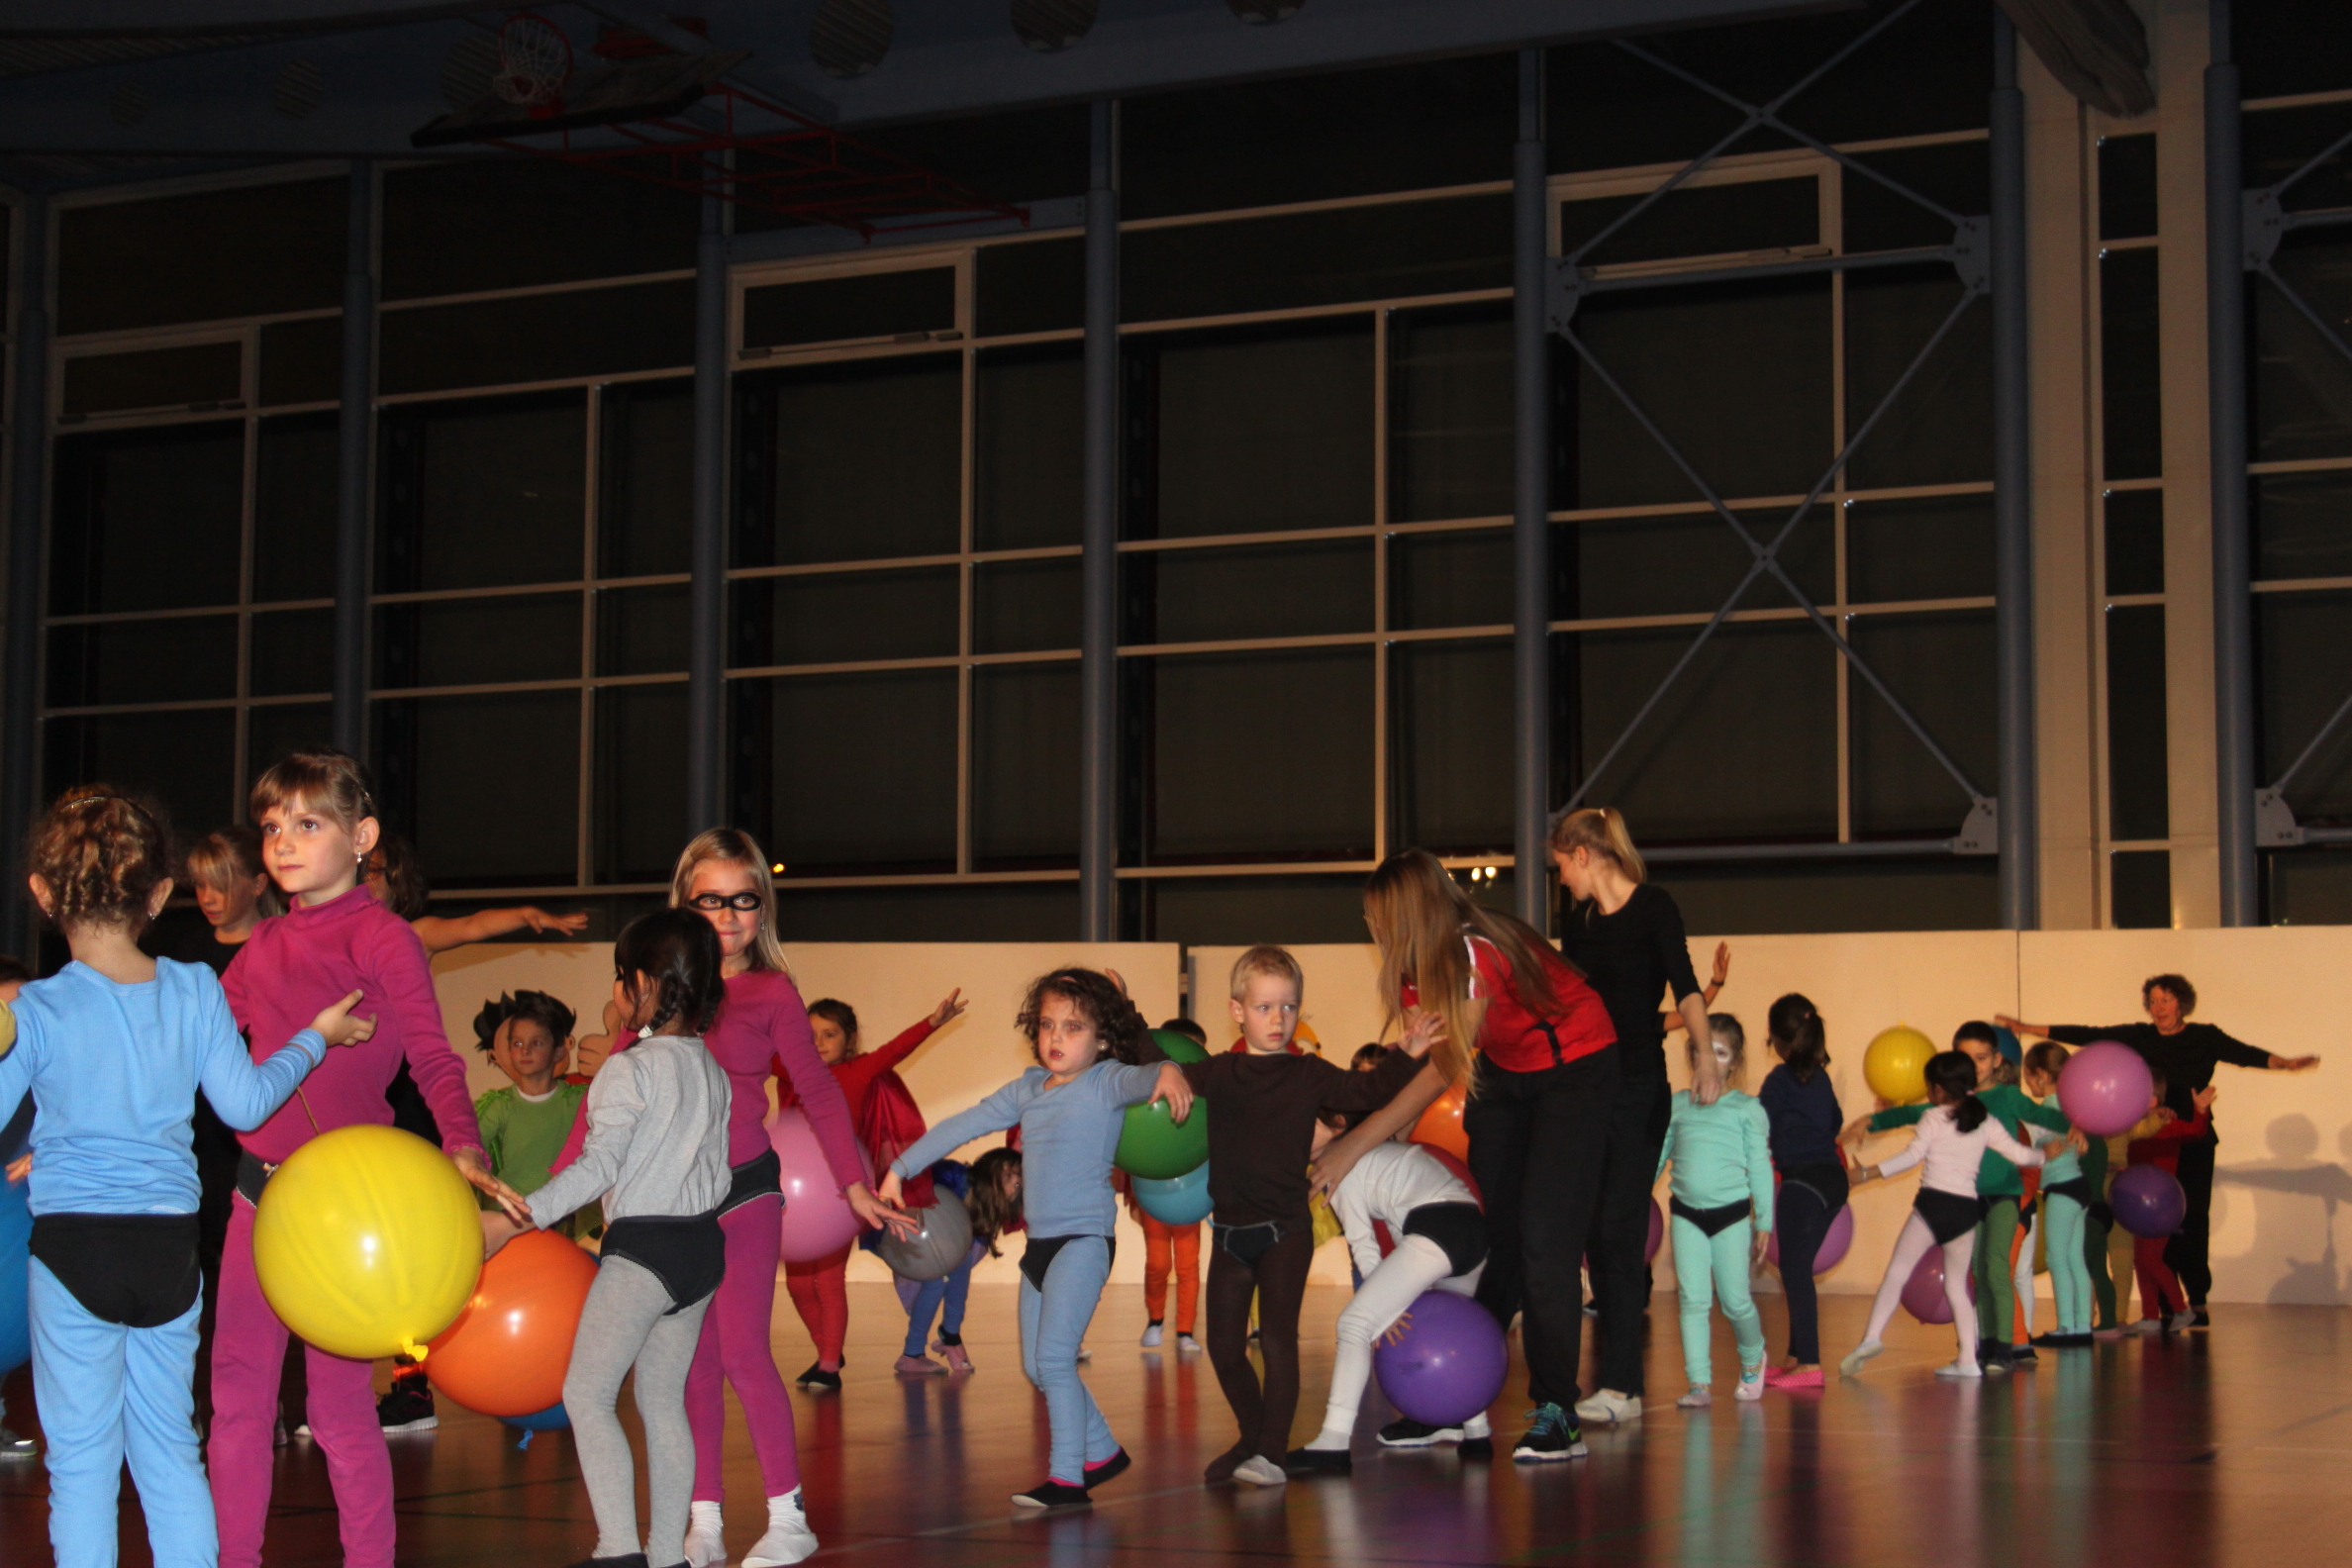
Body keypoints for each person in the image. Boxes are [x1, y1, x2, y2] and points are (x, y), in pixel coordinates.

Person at [0, 788, 371, 1568]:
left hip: (74, 1252)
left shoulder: (35, 1009)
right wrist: (315, 1037)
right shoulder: (196, 988)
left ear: (42, 894)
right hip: (168, 1254)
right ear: (159, 894)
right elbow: (247, 1102)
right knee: (169, 1448)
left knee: (82, 1466)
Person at [208, 751, 525, 1568]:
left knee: (339, 1408)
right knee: (237, 1400)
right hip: (257, 1199)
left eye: (307, 823)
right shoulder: (261, 945)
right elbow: (195, 1041)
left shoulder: (383, 937)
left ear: (362, 837)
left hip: (348, 1216)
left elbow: (432, 1055)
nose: (283, 841)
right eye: (272, 827)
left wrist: (462, 1142)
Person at [1311, 848, 1619, 1464]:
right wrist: (1378, 1144)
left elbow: (1444, 1067)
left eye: (1378, 916)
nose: (1372, 928)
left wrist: (1351, 1147)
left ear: (1407, 913)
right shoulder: (1410, 973)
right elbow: (1415, 1068)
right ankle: (1452, 1398)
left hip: (1576, 1066)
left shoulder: (1473, 950)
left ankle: (1557, 1413)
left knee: (1543, 1240)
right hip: (1508, 1071)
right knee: (1490, 1236)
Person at [878, 968, 1192, 1514]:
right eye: (1047, 1024)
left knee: (1054, 1359)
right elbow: (964, 1123)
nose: (1056, 1037)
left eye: (1073, 1027)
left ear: (1101, 1039)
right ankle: (1102, 1450)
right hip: (1040, 1249)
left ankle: (1067, 1479)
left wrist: (1167, 1070)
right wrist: (899, 1169)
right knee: (1036, 1368)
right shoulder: (1027, 1089)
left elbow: (1149, 1075)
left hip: (1083, 1242)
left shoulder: (1106, 1080)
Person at [482, 909, 740, 1568]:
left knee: (587, 1395)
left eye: (621, 979)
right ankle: (667, 1555)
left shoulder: (629, 1070)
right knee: (661, 1401)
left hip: (644, 1251)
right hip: (699, 1250)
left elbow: (598, 1166)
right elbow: (716, 1170)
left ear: (646, 986)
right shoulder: (710, 1068)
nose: (617, 993)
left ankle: (619, 1550)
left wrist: (513, 1221)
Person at [660, 830, 890, 1568]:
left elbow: (817, 1089)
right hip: (676, 1199)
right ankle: (704, 1519)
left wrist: (853, 1183)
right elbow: (619, 1094)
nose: (728, 916)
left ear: (763, 907)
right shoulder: (662, 988)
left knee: (742, 1351)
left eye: (743, 900)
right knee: (693, 1359)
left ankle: (789, 1517)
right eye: (710, 900)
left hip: (744, 1190)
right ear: (683, 902)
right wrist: (543, 1194)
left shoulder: (771, 991)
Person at [1172, 946, 1425, 1489]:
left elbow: (1367, 1089)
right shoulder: (1220, 1072)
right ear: (1238, 1011)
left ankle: (1271, 1453)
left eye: (1289, 1007)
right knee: (1224, 1348)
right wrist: (1124, 1014)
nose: (1278, 1019)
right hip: (1230, 1234)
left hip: (1284, 1232)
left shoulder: (1307, 1073)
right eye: (1264, 1007)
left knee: (1278, 1341)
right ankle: (1252, 1437)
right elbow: (1161, 1063)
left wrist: (1408, 1053)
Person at [1999, 977, 2318, 1328]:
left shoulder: (2205, 1037)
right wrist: (2027, 1028)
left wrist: (2284, 1063)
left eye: (2166, 1000)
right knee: (2148, 1226)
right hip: (2149, 1139)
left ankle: (2196, 1300)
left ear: (2182, 1003)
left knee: (2192, 1219)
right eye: (2152, 1001)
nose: (2158, 1008)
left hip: (2192, 1139)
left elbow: (2244, 1054)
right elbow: (2089, 1034)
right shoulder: (2140, 1036)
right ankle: (2164, 1306)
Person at [1547, 808, 1719, 1427]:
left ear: (1583, 855)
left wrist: (1705, 1056)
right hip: (1589, 1087)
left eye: (1562, 866)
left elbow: (1686, 987)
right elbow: (1571, 1004)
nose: (1562, 879)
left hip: (1639, 1088)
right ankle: (1614, 1380)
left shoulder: (1654, 907)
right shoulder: (1580, 922)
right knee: (1596, 1229)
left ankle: (1623, 1385)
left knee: (1619, 1226)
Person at [1847, 1022, 2069, 1373]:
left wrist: (2075, 1124)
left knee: (1996, 1267)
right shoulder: (1954, 1106)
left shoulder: (2003, 1098)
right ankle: (1978, 1349)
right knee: (1974, 1274)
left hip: (2001, 1195)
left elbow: (2039, 1115)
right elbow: (1913, 1113)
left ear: (1996, 1060)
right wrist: (1873, 1120)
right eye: (1968, 1059)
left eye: (1982, 1058)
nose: (1976, 1066)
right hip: (1968, 1200)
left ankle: (2003, 1348)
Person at [777, 991, 967, 1385]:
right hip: (797, 1200)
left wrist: (931, 1023)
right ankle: (828, 1351)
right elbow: (750, 1049)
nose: (819, 1043)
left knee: (829, 1280)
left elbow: (895, 1050)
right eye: (811, 1035)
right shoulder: (792, 1070)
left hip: (843, 1195)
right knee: (797, 1284)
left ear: (849, 1040)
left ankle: (829, 1365)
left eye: (830, 1034)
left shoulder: (858, 1072)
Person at [1291, 1113, 1487, 1474]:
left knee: (1354, 1325)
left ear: (1337, 1126)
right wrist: (1394, 1298)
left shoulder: (1339, 1166)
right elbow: (1403, 1224)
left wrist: (1385, 1309)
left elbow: (1363, 1247)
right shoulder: (1381, 1150)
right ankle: (1477, 1433)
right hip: (1471, 1231)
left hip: (1438, 1228)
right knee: (1453, 1328)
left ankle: (1332, 1444)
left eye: (1307, 1120)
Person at [1655, 1016, 1773, 1409]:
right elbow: (1659, 1154)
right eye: (1703, 1050)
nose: (1710, 1060)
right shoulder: (1677, 1106)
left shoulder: (1746, 1109)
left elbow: (1760, 1166)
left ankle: (1753, 1358)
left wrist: (1764, 1221)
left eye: (1722, 1053)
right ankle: (1698, 1383)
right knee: (1692, 1300)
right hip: (1686, 1214)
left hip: (1732, 1218)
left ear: (1734, 1062)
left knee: (1735, 1301)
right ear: (1693, 1055)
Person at [1756, 994, 1844, 1389]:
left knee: (1794, 1271)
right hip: (1831, 1179)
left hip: (1803, 1181)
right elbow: (1834, 1122)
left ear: (1777, 1040)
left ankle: (1809, 1363)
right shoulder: (1821, 1077)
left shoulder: (1779, 1079)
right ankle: (1795, 1356)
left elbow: (1758, 1121)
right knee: (1798, 1269)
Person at [364, 832, 588, 952]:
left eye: (370, 870)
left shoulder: (413, 935)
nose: (360, 880)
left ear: (398, 880)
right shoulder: (343, 933)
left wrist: (523, 915)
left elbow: (472, 925)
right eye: (355, 871)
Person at [2118, 1073, 2215, 1334]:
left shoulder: (2166, 1125)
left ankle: (2181, 1309)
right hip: (2138, 1204)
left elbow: (2195, 1130)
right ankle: (2150, 1315)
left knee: (2150, 1258)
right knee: (2142, 1259)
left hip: (2161, 1205)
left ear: (2151, 1101)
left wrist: (2201, 1110)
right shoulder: (2131, 1129)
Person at [2020, 1042, 2096, 1347]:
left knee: (2057, 1258)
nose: (2028, 1083)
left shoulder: (2045, 1111)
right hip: (2078, 1186)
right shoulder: (2070, 1107)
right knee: (2075, 1258)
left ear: (2040, 1074)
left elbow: (2026, 1146)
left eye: (2028, 1077)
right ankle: (2082, 1326)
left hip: (2062, 1189)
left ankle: (2066, 1325)